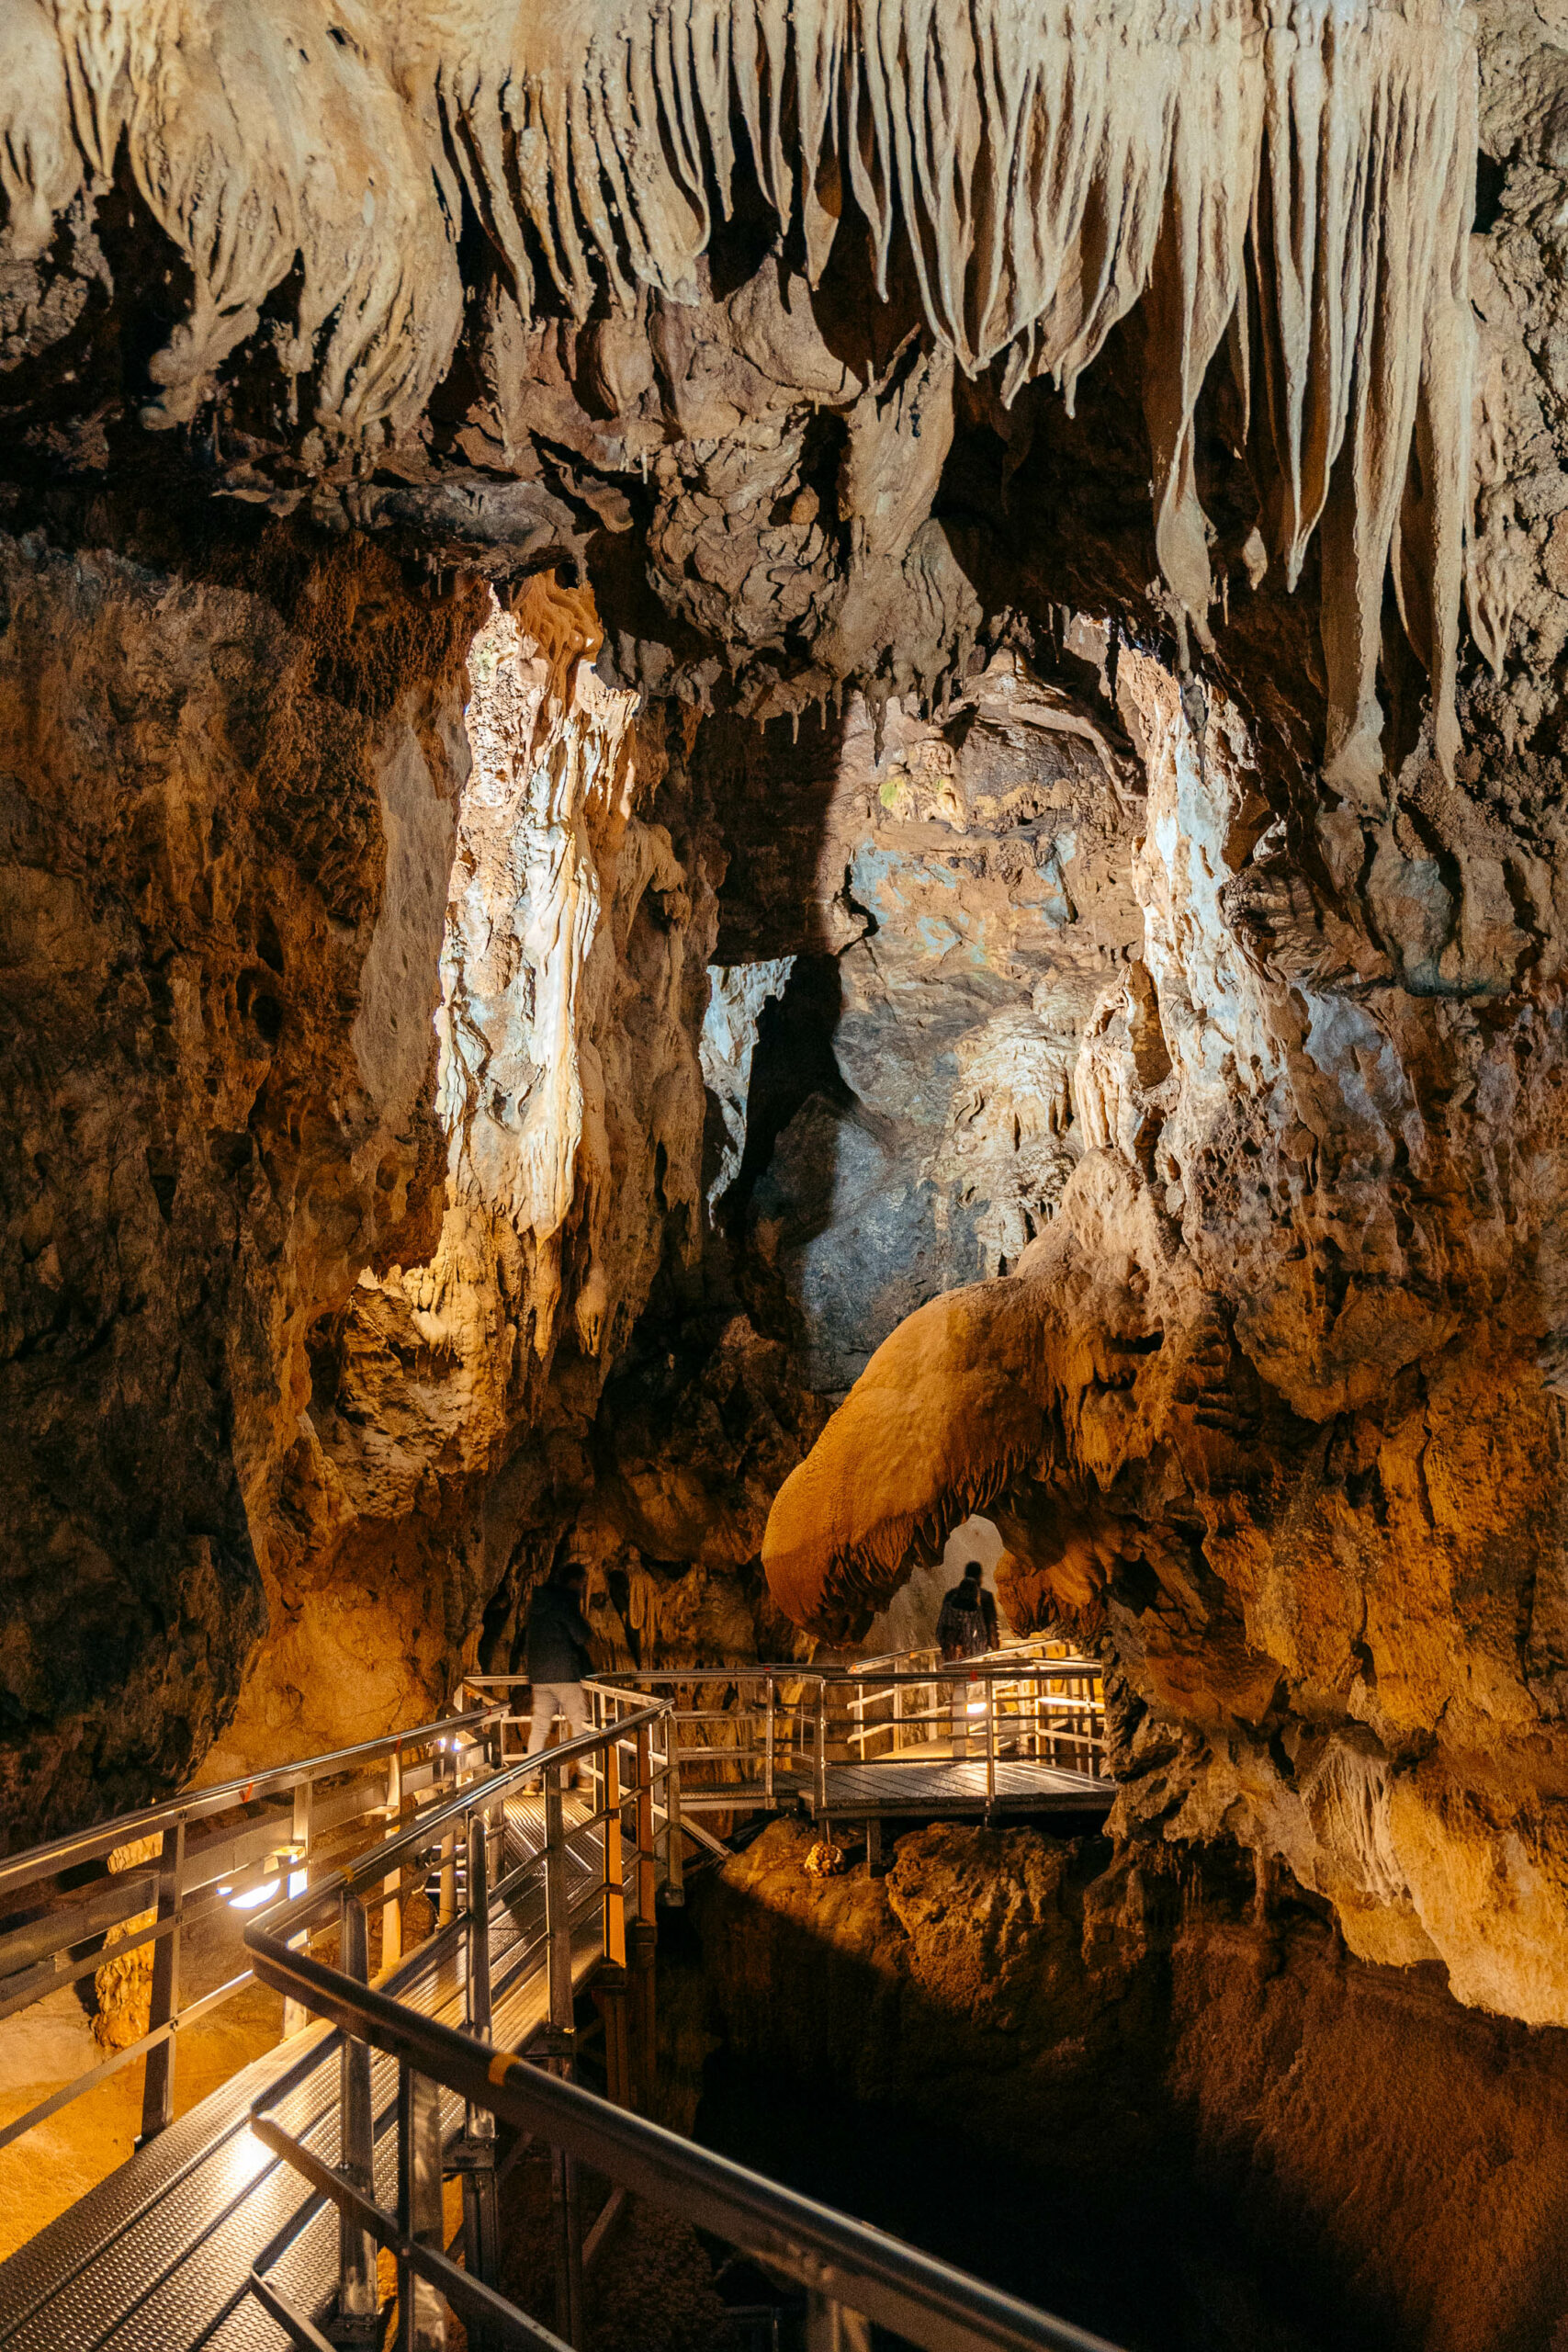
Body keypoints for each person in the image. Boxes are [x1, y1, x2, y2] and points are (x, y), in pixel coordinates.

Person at [524, 1563, 594, 1788]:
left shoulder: (538, 1604)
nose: (583, 1587)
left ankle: (531, 1779)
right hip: (565, 1674)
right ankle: (586, 1774)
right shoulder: (565, 1601)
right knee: (579, 1722)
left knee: (540, 1726)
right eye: (582, 1582)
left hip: (540, 1676)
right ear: (573, 1581)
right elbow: (580, 1634)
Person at [937, 1561, 998, 1756]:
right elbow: (990, 1626)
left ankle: (958, 1732)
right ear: (980, 1577)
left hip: (951, 1652)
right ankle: (974, 1732)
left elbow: (943, 1623)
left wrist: (948, 1647)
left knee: (957, 1689)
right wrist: (995, 1650)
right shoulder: (984, 1597)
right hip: (974, 1652)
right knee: (977, 1691)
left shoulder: (950, 1596)